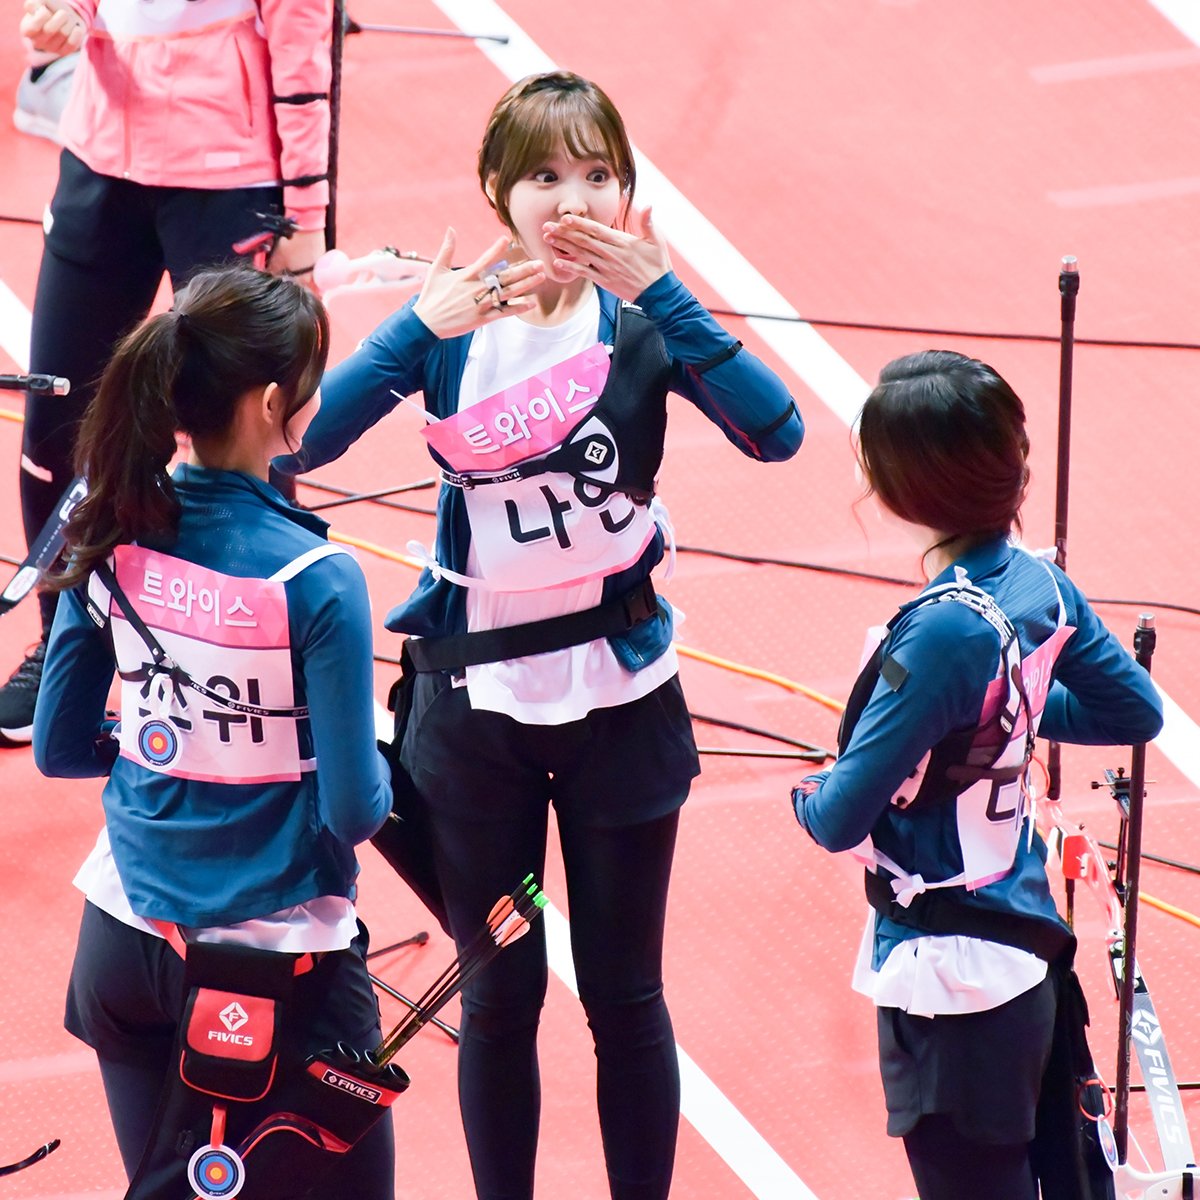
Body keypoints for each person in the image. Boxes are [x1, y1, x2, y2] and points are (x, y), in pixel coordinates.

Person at [276, 69, 804, 1200]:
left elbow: (780, 435)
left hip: (622, 704)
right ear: (495, 191)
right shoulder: (452, 334)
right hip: (478, 721)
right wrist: (415, 327)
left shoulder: (644, 324)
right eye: (545, 177)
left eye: (599, 175)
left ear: (628, 192)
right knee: (500, 995)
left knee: (626, 998)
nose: (574, 200)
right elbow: (297, 445)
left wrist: (671, 297)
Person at [32, 266, 395, 1197]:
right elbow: (355, 811)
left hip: (122, 939)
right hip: (278, 966)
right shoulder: (317, 577)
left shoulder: (112, 521)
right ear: (275, 403)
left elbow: (59, 747)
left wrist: (177, 746)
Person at [789, 350, 1163, 1200]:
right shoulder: (1039, 584)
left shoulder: (941, 634)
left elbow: (841, 819)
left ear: (903, 490)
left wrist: (806, 796)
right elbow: (1132, 713)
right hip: (1024, 951)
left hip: (950, 985)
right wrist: (1003, 716)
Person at [0, 0, 333, 745]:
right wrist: (64, 11)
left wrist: (306, 214)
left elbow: (303, 40)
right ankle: (62, 645)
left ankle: (256, 654)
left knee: (247, 433)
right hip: (99, 153)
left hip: (228, 174)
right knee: (59, 424)